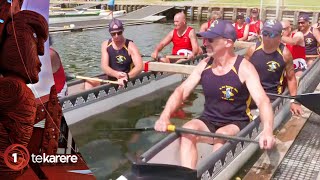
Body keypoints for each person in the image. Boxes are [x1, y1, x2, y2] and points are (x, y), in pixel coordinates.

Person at [155, 20, 275, 169]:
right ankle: (188, 175)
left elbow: (263, 101)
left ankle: (213, 172)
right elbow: (182, 91)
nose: (205, 43)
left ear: (228, 42)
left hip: (236, 121)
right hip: (208, 120)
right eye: (204, 39)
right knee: (187, 130)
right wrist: (165, 116)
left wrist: (268, 130)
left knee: (220, 135)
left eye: (210, 39)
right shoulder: (204, 64)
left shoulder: (244, 67)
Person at [245, 19, 303, 116]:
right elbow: (241, 73)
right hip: (252, 94)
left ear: (280, 37)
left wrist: (294, 101)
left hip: (272, 96)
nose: (267, 38)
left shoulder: (285, 54)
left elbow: (291, 78)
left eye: (271, 35)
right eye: (265, 33)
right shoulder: (252, 50)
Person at [85, 18, 143, 89]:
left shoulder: (130, 45)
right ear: (110, 33)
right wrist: (116, 74)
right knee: (89, 82)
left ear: (123, 31)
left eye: (119, 33)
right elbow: (104, 66)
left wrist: (126, 76)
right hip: (112, 77)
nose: (116, 36)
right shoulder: (105, 45)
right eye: (113, 34)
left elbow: (139, 67)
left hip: (127, 77)